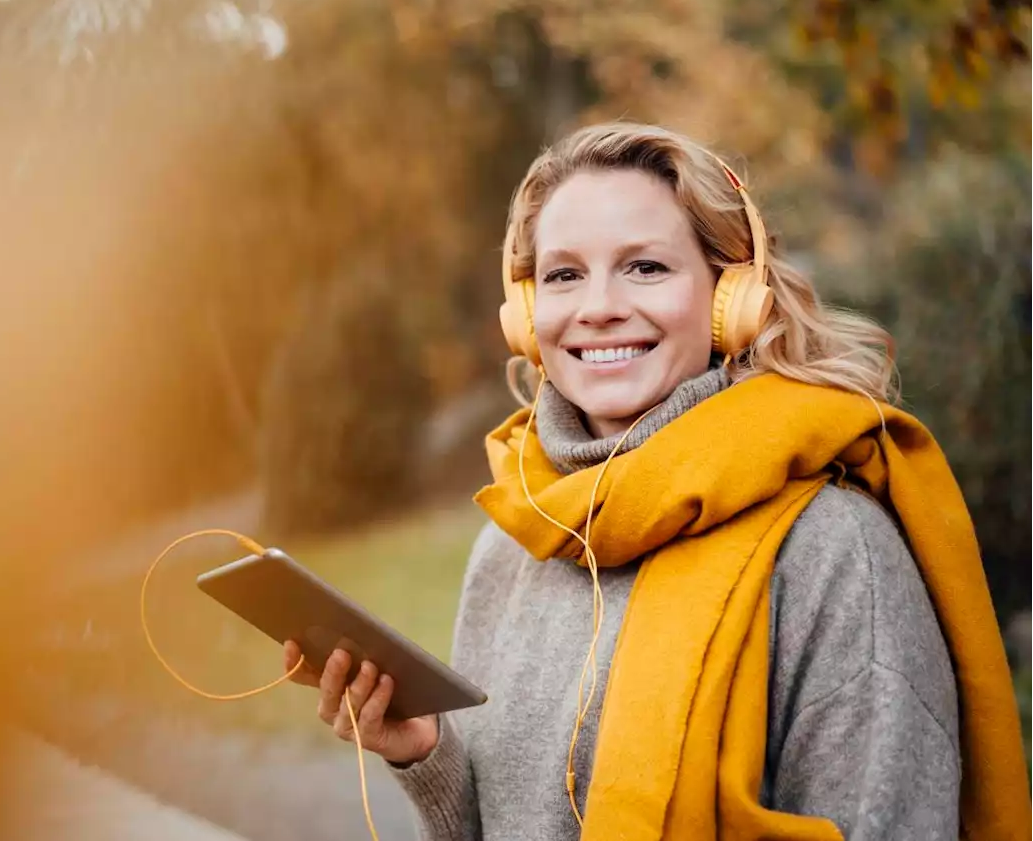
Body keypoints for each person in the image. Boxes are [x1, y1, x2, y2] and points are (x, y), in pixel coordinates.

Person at [283, 122, 1031, 840]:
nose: (601, 307)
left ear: (729, 299)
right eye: (565, 274)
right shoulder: (512, 549)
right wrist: (423, 753)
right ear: (527, 314)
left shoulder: (833, 553)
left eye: (646, 266)